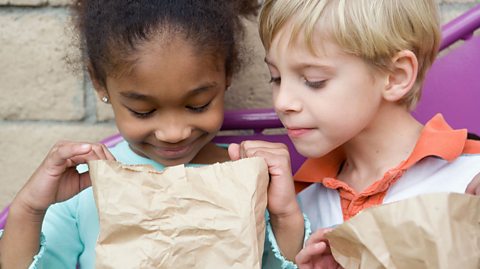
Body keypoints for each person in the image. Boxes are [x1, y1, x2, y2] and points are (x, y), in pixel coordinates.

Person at [0, 1, 302, 268]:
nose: (173, 133)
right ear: (99, 82)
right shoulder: (83, 187)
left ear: (228, 72)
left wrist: (284, 216)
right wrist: (29, 209)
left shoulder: (247, 179)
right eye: (143, 111)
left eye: (198, 105)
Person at [229, 0, 480, 267]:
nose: (282, 102)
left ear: (396, 76)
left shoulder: (469, 179)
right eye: (276, 78)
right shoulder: (299, 201)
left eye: (314, 81)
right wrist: (287, 223)